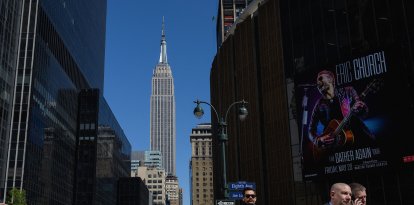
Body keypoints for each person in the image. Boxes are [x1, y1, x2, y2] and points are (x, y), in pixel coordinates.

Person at [308, 70, 374, 156]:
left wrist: (360, 108)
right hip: (334, 147)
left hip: (356, 136)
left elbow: (363, 113)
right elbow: (310, 129)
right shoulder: (319, 104)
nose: (317, 82)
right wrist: (318, 140)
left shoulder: (348, 91)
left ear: (330, 80)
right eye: (317, 81)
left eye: (320, 79)